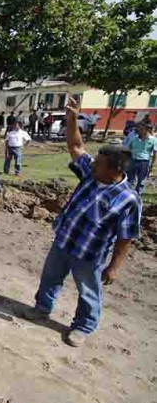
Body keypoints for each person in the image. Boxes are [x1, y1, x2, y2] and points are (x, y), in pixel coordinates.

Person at [25, 97, 141, 347]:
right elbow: (76, 146)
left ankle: (83, 326)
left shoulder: (128, 199)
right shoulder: (92, 173)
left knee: (88, 291)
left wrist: (114, 266)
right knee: (50, 277)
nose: (92, 164)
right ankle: (42, 308)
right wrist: (72, 119)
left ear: (115, 170)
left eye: (98, 164)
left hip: (89, 254)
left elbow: (126, 236)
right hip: (64, 240)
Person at [125, 122, 156, 194]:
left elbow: (155, 153)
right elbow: (128, 150)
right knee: (130, 179)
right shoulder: (134, 139)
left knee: (141, 180)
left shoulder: (153, 140)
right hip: (133, 161)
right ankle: (128, 194)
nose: (139, 130)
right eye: (139, 129)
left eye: (142, 129)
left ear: (147, 130)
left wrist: (152, 165)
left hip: (144, 162)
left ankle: (137, 195)